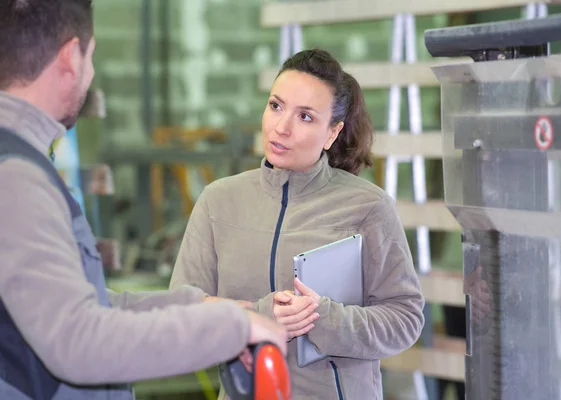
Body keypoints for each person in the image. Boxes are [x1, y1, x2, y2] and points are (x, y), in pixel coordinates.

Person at [0, 1, 287, 399]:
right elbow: (80, 341)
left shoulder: (18, 161)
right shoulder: (15, 175)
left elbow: (83, 303)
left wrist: (196, 308)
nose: (92, 73)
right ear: (70, 56)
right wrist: (229, 330)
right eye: (92, 56)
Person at [170, 48, 425, 400]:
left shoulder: (368, 207)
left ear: (332, 133)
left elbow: (405, 319)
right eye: (276, 106)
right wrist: (260, 317)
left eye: (305, 117)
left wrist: (324, 318)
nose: (281, 127)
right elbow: (180, 312)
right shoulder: (218, 201)